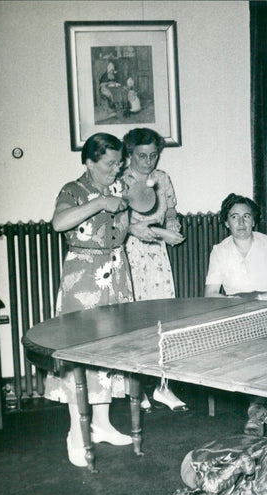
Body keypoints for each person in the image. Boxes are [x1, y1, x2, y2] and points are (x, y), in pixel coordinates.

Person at [44, 133, 152, 467]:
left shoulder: (119, 187)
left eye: (119, 162)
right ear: (89, 162)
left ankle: (102, 424)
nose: (116, 168)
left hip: (117, 274)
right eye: (109, 163)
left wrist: (153, 231)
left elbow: (121, 226)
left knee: (112, 352)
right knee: (81, 353)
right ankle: (77, 432)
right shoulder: (72, 190)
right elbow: (59, 222)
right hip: (84, 279)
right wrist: (99, 203)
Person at [121, 127, 188, 412]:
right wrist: (163, 232)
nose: (148, 161)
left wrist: (172, 221)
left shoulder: (162, 179)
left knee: (162, 321)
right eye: (142, 156)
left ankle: (163, 387)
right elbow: (123, 225)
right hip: (129, 254)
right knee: (134, 322)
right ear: (129, 154)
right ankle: (136, 389)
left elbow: (170, 208)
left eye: (153, 155)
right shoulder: (120, 179)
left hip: (157, 256)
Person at [205, 194, 267, 301]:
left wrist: (259, 300)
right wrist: (234, 301)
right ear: (226, 223)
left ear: (253, 221)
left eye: (246, 216)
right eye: (234, 217)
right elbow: (210, 293)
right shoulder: (219, 251)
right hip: (236, 306)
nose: (241, 222)